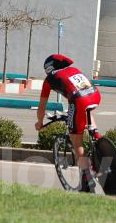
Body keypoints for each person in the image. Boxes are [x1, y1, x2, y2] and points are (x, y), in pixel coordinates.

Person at [35, 53, 101, 193]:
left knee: (76, 141)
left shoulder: (49, 80)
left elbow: (42, 107)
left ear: (49, 68)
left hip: (79, 100)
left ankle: (86, 180)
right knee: (86, 110)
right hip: (95, 95)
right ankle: (97, 135)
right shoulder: (74, 70)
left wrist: (40, 122)